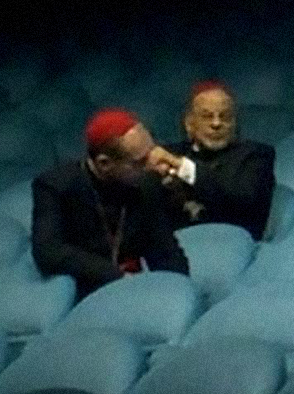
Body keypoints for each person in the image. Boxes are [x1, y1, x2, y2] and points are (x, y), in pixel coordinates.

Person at [32, 109, 192, 293]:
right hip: (85, 290)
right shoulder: (56, 187)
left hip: (137, 288)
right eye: (140, 162)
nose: (152, 166)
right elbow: (49, 251)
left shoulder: (146, 183)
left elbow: (165, 249)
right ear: (104, 163)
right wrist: (115, 276)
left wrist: (179, 289)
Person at [148, 80, 276, 237]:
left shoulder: (257, 155)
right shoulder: (171, 153)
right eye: (207, 116)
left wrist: (184, 168)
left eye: (225, 117)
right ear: (189, 124)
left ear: (235, 123)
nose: (216, 123)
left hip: (231, 243)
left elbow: (243, 198)